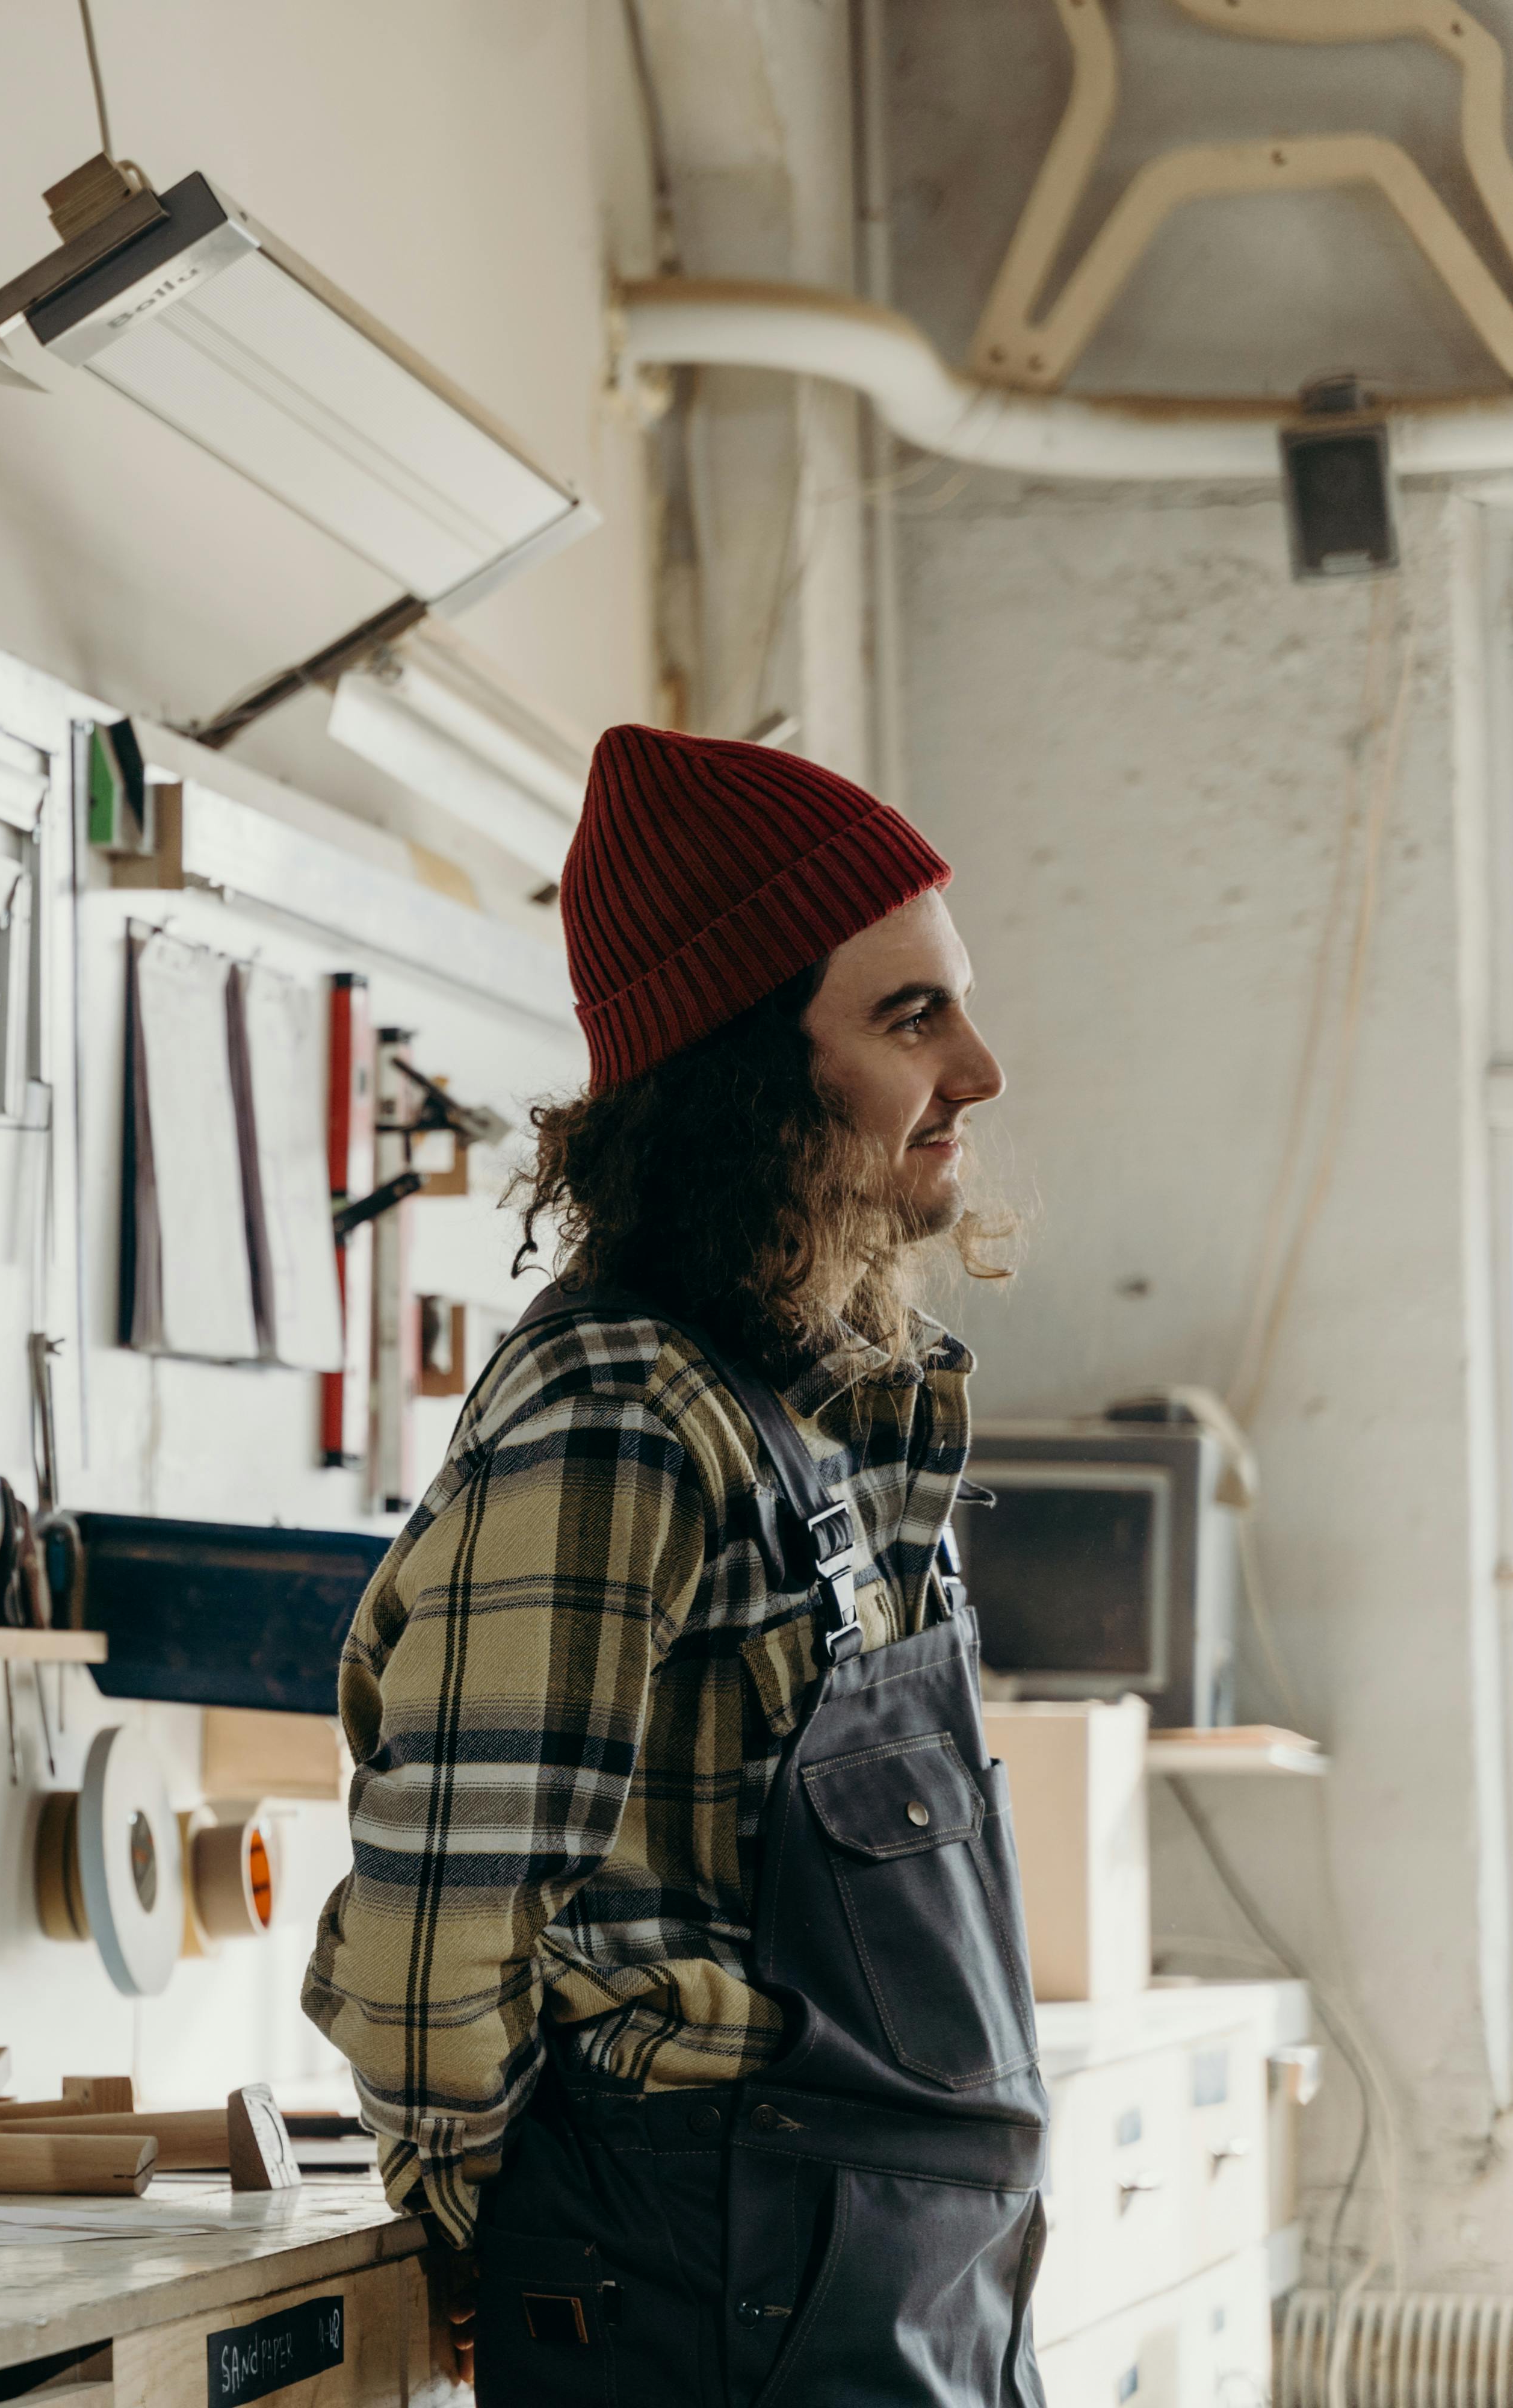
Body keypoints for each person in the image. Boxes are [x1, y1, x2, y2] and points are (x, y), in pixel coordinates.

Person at [300, 725, 1042, 2405]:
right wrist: (520, 2229)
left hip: (883, 2279)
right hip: (708, 2293)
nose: (981, 1068)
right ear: (744, 1074)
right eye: (910, 1014)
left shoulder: (810, 1411)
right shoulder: (620, 1414)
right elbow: (436, 1951)